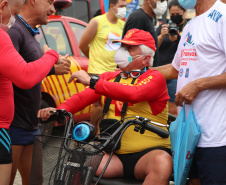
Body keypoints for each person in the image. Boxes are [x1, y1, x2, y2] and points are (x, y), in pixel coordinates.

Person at [38, 29, 172, 185]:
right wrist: (56, 111)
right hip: (113, 152)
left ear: (145, 58)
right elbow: (81, 98)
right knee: (80, 159)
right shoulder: (109, 78)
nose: (122, 51)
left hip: (148, 154)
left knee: (162, 163)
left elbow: (134, 93)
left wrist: (92, 81)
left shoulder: (155, 78)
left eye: (129, 48)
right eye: (122, 47)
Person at [153, 0, 226, 184]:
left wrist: (199, 84)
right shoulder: (191, 24)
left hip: (216, 138)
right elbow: (176, 69)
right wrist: (140, 73)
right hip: (188, 136)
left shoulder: (222, 17)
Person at [6, 0, 71, 184]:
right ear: (33, 1)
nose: (52, 9)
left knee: (36, 180)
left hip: (31, 123)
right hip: (13, 126)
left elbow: (27, 67)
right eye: (49, 2)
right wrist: (50, 58)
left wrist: (51, 68)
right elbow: (16, 73)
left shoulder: (29, 32)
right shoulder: (14, 31)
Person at [79, 0, 127, 127]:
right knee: (99, 106)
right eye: (121, 6)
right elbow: (83, 45)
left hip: (116, 73)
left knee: (109, 108)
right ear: (112, 6)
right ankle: (90, 129)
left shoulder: (123, 25)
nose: (124, 9)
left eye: (125, 6)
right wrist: (94, 58)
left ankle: (100, 136)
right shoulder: (97, 22)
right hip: (98, 71)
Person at [156, 0, 187, 116]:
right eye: (172, 15)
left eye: (178, 14)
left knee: (173, 108)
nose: (175, 17)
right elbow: (154, 48)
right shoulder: (163, 27)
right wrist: (162, 35)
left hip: (176, 74)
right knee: (159, 105)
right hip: (161, 72)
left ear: (184, 12)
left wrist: (178, 39)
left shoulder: (187, 28)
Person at [122, 0, 168, 67]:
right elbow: (130, 50)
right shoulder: (138, 18)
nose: (164, 4)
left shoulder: (147, 18)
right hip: (138, 75)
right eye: (161, 0)